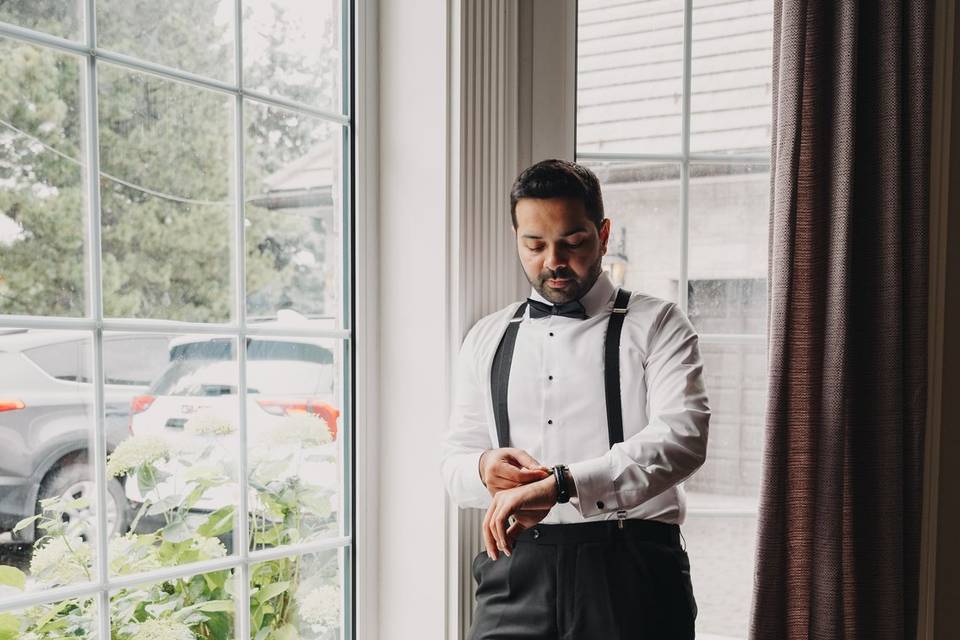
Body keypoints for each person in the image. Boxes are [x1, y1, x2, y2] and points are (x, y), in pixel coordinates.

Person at [441, 159, 710, 639]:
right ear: (516, 237)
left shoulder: (660, 324)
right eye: (535, 245)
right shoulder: (487, 336)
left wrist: (563, 484)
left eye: (573, 242)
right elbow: (455, 459)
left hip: (632, 572)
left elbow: (681, 440)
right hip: (513, 575)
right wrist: (482, 468)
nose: (553, 262)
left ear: (603, 235)